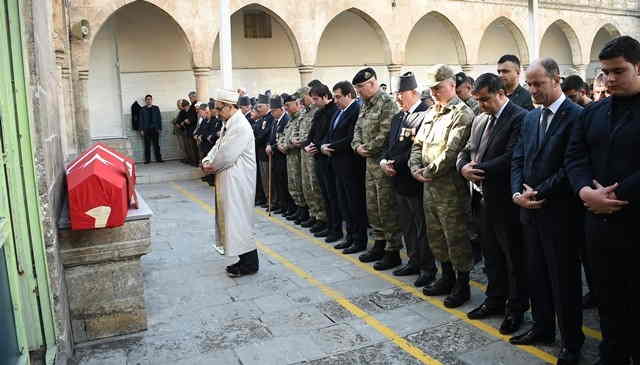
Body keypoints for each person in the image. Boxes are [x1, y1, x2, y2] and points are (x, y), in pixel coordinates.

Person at [565, 35, 640, 365]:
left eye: (618, 71)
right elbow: (575, 157)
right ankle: (612, 354)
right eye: (605, 72)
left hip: (635, 223)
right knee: (607, 299)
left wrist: (612, 196)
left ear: (638, 68)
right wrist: (585, 191)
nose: (609, 79)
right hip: (598, 226)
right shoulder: (592, 112)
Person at [509, 58, 585, 365]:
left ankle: (572, 341)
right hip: (530, 211)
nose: (532, 90)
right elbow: (518, 157)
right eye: (529, 84)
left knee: (563, 280)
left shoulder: (577, 116)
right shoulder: (530, 118)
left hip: (560, 214)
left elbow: (572, 167)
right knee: (536, 274)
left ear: (557, 80)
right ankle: (542, 327)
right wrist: (517, 193)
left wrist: (538, 192)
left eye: (538, 83)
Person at [457, 73, 528, 334]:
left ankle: (516, 308)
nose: (481, 105)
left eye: (485, 100)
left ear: (501, 93)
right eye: (478, 100)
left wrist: (479, 169)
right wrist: (464, 166)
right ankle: (495, 299)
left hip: (505, 200)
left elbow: (512, 156)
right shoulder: (479, 119)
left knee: (513, 258)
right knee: (491, 254)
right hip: (481, 198)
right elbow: (466, 150)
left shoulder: (519, 117)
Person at [408, 64, 474, 308]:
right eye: (432, 89)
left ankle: (462, 284)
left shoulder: (462, 114)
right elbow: (417, 144)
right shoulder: (431, 113)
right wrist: (415, 168)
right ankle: (446, 277)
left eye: (439, 88)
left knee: (455, 236)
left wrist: (427, 171)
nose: (435, 93)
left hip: (450, 189)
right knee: (435, 234)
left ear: (452, 85)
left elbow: (451, 152)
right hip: (429, 186)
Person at [381, 72, 437, 286]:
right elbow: (390, 145)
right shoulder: (398, 117)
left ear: (414, 93)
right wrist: (385, 160)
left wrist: (395, 163)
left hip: (414, 180)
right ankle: (413, 260)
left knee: (422, 227)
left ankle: (427, 267)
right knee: (407, 225)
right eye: (395, 94)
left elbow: (417, 149)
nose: (397, 98)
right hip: (397, 180)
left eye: (400, 94)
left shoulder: (426, 115)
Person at [351, 67, 403, 271]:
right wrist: (357, 146)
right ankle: (379, 243)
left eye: (361, 88)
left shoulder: (387, 103)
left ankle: (393, 250)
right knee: (373, 206)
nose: (358, 92)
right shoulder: (364, 104)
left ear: (372, 84)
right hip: (368, 164)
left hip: (382, 162)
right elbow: (357, 129)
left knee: (387, 207)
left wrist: (368, 148)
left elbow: (387, 133)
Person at [202, 89, 258, 277]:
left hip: (238, 180)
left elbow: (227, 154)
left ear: (229, 106)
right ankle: (243, 260)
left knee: (239, 220)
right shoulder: (230, 123)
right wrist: (206, 160)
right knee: (234, 220)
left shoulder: (240, 125)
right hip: (230, 179)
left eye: (219, 108)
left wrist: (211, 165)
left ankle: (250, 264)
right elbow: (218, 146)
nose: (217, 112)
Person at [323, 81, 367, 253]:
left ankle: (359, 239)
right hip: (337, 164)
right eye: (334, 97)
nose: (335, 100)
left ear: (350, 95)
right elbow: (331, 133)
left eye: (339, 97)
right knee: (344, 203)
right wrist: (325, 145)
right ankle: (349, 236)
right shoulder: (339, 112)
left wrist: (330, 147)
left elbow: (350, 138)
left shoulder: (355, 111)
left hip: (350, 165)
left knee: (354, 203)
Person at [306, 84, 342, 241]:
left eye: (316, 99)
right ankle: (329, 225)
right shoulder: (319, 113)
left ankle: (336, 229)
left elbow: (330, 135)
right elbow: (312, 133)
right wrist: (309, 144)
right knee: (325, 195)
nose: (313, 102)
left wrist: (319, 146)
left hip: (328, 159)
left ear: (326, 97)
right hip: (318, 158)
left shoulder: (334, 111)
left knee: (333, 196)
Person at [298, 83, 328, 230]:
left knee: (315, 185)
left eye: (304, 98)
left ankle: (322, 217)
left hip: (313, 152)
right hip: (305, 151)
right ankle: (314, 214)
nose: (302, 101)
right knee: (307, 185)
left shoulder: (318, 111)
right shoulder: (306, 112)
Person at [279, 92, 309, 224]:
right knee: (293, 184)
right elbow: (282, 135)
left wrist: (287, 144)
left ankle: (304, 210)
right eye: (285, 106)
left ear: (297, 104)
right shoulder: (290, 119)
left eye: (288, 105)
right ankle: (299, 208)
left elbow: (298, 138)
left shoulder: (300, 118)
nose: (286, 108)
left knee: (300, 184)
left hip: (297, 156)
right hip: (289, 156)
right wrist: (282, 144)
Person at [267, 95, 293, 215]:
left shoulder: (286, 120)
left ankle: (287, 206)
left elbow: (282, 139)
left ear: (281, 109)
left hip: (282, 156)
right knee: (277, 182)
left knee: (284, 182)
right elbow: (272, 137)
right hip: (274, 156)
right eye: (271, 111)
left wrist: (272, 147)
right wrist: (269, 145)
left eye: (274, 111)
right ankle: (281, 204)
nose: (272, 113)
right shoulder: (274, 121)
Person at [254, 94, 275, 209]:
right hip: (259, 152)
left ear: (267, 106)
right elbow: (256, 132)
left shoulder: (271, 118)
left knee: (268, 178)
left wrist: (254, 140)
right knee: (263, 178)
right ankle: (266, 198)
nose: (258, 109)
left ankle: (270, 200)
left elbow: (264, 134)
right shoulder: (261, 119)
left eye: (260, 106)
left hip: (267, 153)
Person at [139, 94, 163, 164]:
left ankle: (159, 159)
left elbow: (159, 118)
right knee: (147, 145)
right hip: (146, 130)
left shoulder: (156, 108)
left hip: (155, 129)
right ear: (145, 101)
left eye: (150, 99)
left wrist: (159, 128)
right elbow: (141, 120)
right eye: (147, 99)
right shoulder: (142, 109)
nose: (148, 101)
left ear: (151, 100)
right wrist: (141, 130)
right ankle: (147, 160)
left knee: (156, 145)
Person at [184, 91, 201, 166]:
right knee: (193, 147)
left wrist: (189, 120)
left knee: (196, 147)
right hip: (191, 128)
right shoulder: (192, 105)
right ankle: (195, 161)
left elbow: (195, 117)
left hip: (194, 128)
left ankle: (197, 161)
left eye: (191, 97)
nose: (190, 99)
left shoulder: (196, 105)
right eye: (189, 98)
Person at [173, 99, 191, 164]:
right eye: (177, 105)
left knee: (185, 146)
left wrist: (177, 122)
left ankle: (187, 158)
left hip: (183, 131)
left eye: (179, 104)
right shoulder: (180, 111)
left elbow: (181, 121)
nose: (178, 106)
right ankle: (185, 158)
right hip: (179, 131)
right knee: (181, 146)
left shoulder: (185, 111)